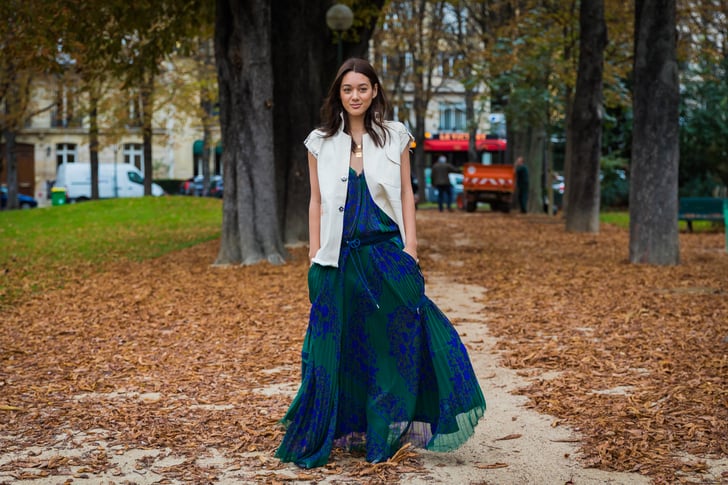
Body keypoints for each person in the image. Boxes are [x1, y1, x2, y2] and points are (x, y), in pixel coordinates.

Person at [275, 58, 486, 468]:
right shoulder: (319, 142)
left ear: (374, 92)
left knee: (390, 344)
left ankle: (381, 431)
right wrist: (314, 254)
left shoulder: (395, 136)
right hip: (337, 261)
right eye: (347, 89)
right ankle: (336, 426)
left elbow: (406, 194)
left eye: (362, 88)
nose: (355, 96)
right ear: (338, 94)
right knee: (334, 344)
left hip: (386, 257)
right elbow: (316, 202)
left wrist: (412, 249)